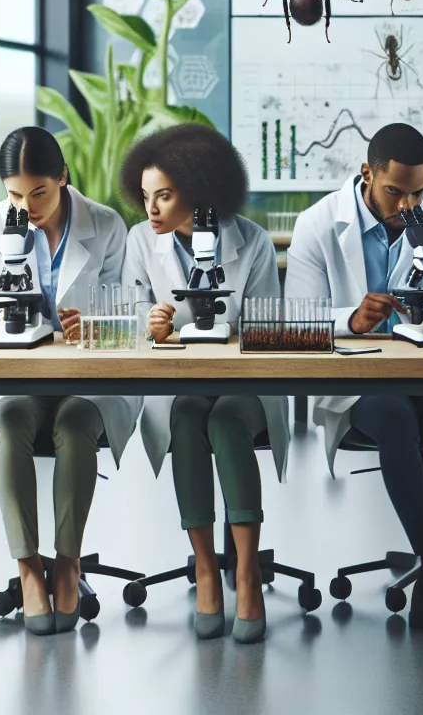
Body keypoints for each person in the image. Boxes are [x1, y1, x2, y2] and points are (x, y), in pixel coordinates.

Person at [287, 123, 423, 638]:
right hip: (360, 385)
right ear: (367, 173)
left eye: (419, 191)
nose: (409, 204)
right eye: (395, 191)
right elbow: (296, 320)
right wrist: (350, 318)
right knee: (392, 412)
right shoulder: (318, 224)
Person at [0, 126, 140, 635]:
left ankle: (67, 563)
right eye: (15, 193)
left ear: (62, 177)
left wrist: (94, 324)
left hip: (85, 376)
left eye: (39, 192)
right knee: (9, 416)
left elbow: (126, 311)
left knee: (77, 422)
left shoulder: (106, 226)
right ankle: (27, 568)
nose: (27, 205)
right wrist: (21, 321)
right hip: (24, 372)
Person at [122, 123, 288, 644]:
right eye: (146, 197)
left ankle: (245, 571)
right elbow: (127, 320)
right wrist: (149, 325)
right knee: (190, 414)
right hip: (182, 384)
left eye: (164, 196)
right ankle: (204, 567)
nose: (150, 210)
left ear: (198, 189)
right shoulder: (140, 242)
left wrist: (225, 330)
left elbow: (270, 328)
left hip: (247, 385)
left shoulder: (252, 242)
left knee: (225, 418)